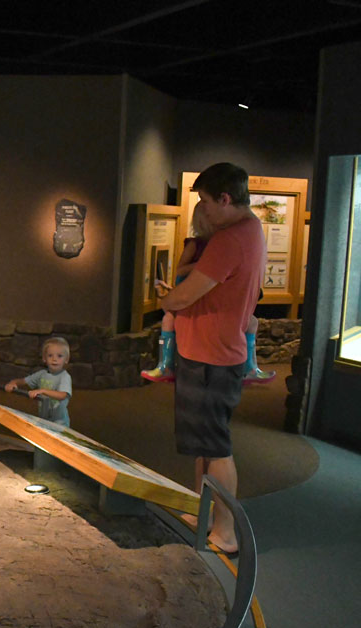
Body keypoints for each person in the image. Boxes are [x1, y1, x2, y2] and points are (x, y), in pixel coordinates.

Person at [157, 162, 266, 556]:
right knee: (205, 443)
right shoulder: (250, 231)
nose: (203, 210)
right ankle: (202, 513)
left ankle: (225, 531)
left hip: (211, 356)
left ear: (224, 198)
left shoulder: (230, 239)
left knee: (216, 446)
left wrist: (165, 300)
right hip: (212, 351)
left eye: (205, 201)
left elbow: (187, 295)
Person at [143, 201, 276, 385]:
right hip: (192, 293)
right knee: (169, 320)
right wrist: (206, 265)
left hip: (210, 296)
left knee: (251, 322)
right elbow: (181, 270)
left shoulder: (226, 241)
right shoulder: (196, 244)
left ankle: (250, 367)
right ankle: (165, 364)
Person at [4, 337, 72, 426]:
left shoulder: (64, 376)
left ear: (66, 359)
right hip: (43, 420)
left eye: (59, 356)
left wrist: (43, 391)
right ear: (44, 358)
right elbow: (24, 381)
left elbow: (63, 395)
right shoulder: (41, 374)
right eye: (50, 355)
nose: (54, 359)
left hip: (59, 423)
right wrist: (13, 383)